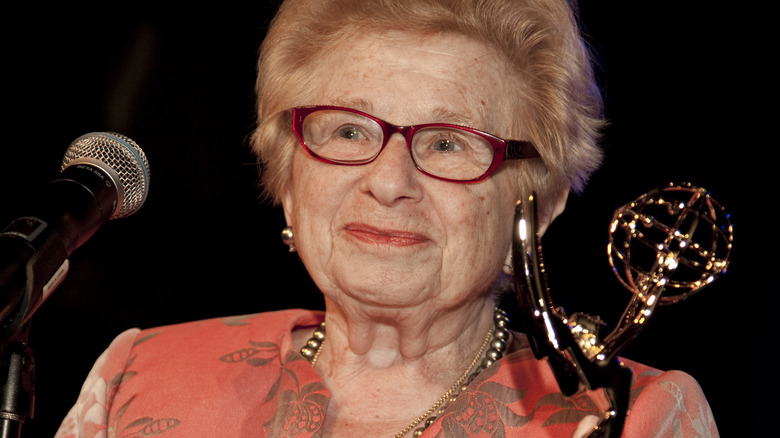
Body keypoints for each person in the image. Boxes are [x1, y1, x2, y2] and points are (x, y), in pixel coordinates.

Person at [54, 0, 718, 436]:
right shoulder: (138, 375)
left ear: (539, 203)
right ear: (288, 176)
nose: (389, 182)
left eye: (448, 143)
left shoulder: (625, 416)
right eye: (346, 132)